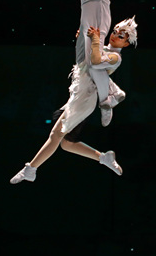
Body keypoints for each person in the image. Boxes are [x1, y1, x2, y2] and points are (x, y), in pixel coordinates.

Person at [9, 17, 137, 184]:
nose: (114, 36)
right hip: (78, 95)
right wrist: (83, 40)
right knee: (67, 143)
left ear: (126, 43)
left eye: (120, 36)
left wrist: (94, 40)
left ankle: (30, 169)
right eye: (114, 32)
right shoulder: (104, 48)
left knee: (55, 134)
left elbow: (95, 61)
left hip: (85, 98)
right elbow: (85, 58)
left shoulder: (115, 57)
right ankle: (104, 157)